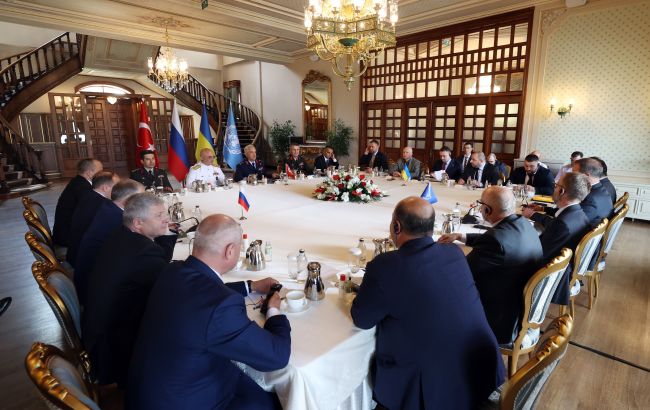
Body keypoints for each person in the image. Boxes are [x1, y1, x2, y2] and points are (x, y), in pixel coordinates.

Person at [351, 197, 505, 409]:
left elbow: (362, 319)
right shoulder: (454, 252)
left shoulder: (385, 266)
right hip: (480, 371)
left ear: (396, 227)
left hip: (432, 391)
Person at [128, 214, 290, 410]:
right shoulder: (221, 307)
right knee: (278, 399)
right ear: (230, 251)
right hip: (188, 401)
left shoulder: (173, 270)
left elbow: (203, 291)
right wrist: (274, 310)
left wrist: (250, 286)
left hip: (153, 390)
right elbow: (276, 357)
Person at [82, 193, 178, 386]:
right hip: (118, 351)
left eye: (165, 213)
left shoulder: (122, 235)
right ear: (138, 223)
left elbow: (159, 260)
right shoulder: (143, 252)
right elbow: (173, 288)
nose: (166, 219)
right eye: (159, 215)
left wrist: (166, 232)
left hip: (101, 331)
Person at [439, 187, 543, 344]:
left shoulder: (495, 240)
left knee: (443, 292)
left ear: (487, 210)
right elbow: (500, 241)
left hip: (499, 320)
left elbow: (463, 273)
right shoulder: (522, 223)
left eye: (480, 204)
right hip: (518, 305)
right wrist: (461, 236)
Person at [522, 172, 591, 306]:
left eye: (555, 186)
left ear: (561, 191)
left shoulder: (562, 224)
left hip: (551, 277)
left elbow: (539, 256)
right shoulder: (579, 213)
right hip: (565, 268)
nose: (554, 188)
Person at [74, 180, 144, 306]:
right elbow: (136, 255)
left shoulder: (109, 209)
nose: (145, 203)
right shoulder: (118, 220)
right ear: (127, 201)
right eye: (142, 199)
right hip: (96, 294)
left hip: (94, 280)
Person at [66, 172, 118, 267]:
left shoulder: (89, 195)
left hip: (76, 253)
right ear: (105, 188)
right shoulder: (103, 206)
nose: (119, 190)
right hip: (86, 262)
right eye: (117, 186)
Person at [53, 158, 103, 247]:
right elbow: (94, 214)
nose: (102, 174)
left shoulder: (78, 182)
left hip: (66, 233)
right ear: (89, 173)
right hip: (69, 238)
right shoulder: (83, 188)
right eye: (100, 171)